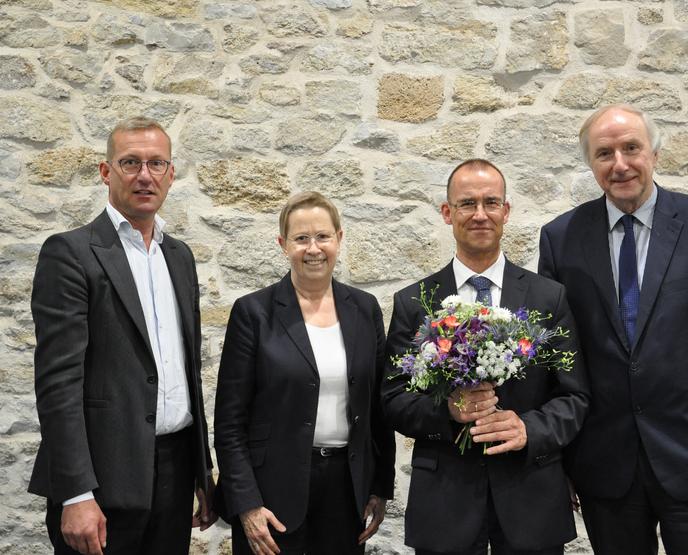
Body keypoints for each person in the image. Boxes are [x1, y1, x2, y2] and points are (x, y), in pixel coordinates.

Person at [538, 104, 688, 554]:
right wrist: (560, 458)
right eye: (604, 153)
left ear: (654, 153)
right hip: (605, 463)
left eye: (632, 148)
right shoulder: (560, 237)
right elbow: (557, 358)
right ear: (591, 164)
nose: (620, 164)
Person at [381, 159, 590, 554]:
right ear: (447, 213)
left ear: (506, 211)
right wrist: (448, 411)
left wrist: (529, 429)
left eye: (491, 202)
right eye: (466, 204)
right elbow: (393, 400)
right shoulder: (414, 303)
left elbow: (575, 396)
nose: (480, 214)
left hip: (530, 499)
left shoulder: (549, 298)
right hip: (445, 504)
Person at [28, 117, 216, 555]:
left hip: (174, 475)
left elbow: (186, 371)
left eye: (156, 163)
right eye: (130, 162)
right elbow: (58, 385)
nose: (144, 175)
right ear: (106, 172)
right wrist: (76, 493)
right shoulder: (70, 254)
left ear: (171, 174)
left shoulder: (180, 256)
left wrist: (201, 474)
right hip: (102, 480)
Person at [214, 191, 395, 555]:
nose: (313, 248)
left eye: (323, 236)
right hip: (272, 493)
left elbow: (378, 407)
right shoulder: (253, 313)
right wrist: (246, 503)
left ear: (339, 240)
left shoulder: (364, 310)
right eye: (301, 238)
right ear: (283, 245)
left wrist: (379, 486)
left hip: (345, 491)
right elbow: (230, 421)